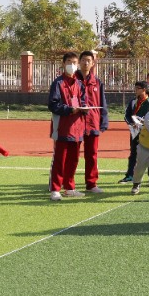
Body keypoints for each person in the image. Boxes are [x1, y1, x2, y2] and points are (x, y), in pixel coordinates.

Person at [48, 52, 88, 200]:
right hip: (62, 128)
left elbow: (81, 101)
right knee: (60, 160)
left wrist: (84, 108)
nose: (72, 65)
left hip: (77, 128)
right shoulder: (58, 83)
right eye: (69, 62)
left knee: (73, 160)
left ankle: (69, 188)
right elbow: (53, 105)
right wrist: (69, 109)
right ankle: (55, 189)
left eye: (74, 62)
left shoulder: (79, 83)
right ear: (63, 64)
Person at [75, 50, 109, 193]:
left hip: (92, 123)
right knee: (72, 155)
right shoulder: (72, 80)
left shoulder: (97, 82)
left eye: (89, 60)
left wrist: (104, 121)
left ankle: (91, 184)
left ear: (93, 63)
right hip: (75, 123)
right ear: (79, 62)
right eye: (83, 60)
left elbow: (102, 102)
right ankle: (68, 183)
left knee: (92, 155)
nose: (86, 63)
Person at [118, 81, 149, 183]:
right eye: (135, 88)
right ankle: (129, 175)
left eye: (137, 88)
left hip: (147, 132)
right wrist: (132, 123)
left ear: (144, 90)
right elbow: (127, 115)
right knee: (133, 154)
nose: (135, 90)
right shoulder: (133, 101)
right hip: (134, 132)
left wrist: (143, 124)